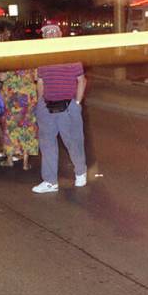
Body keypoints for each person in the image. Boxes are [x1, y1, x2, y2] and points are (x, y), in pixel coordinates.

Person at [31, 24, 87, 192]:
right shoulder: (41, 58)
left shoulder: (70, 55)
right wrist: (40, 102)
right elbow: (40, 82)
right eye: (47, 32)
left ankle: (80, 173)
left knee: (73, 142)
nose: (51, 34)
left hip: (68, 106)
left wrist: (76, 103)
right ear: (43, 37)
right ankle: (50, 181)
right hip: (47, 106)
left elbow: (81, 80)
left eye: (54, 31)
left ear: (60, 34)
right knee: (47, 144)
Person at [0, 67, 39, 170]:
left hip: (13, 95)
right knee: (27, 126)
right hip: (28, 94)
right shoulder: (32, 61)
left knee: (11, 126)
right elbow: (37, 77)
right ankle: (25, 163)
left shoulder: (9, 61)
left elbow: (1, 77)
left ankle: (10, 160)